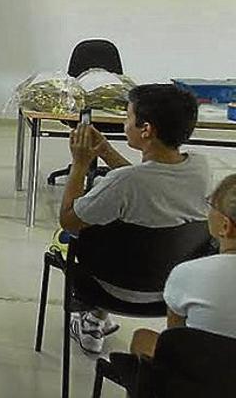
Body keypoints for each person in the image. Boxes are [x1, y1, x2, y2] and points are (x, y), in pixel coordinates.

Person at [59, 83, 209, 354]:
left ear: (146, 129)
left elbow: (69, 220)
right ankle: (95, 321)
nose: (124, 123)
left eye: (127, 117)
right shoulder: (200, 169)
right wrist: (105, 150)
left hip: (110, 287)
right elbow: (146, 183)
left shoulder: (123, 183)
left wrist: (80, 164)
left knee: (85, 237)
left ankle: (93, 317)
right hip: (173, 290)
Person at [130, 173, 236, 358]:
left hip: (200, 378)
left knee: (142, 339)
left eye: (211, 205)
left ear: (225, 226)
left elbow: (174, 340)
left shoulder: (188, 273)